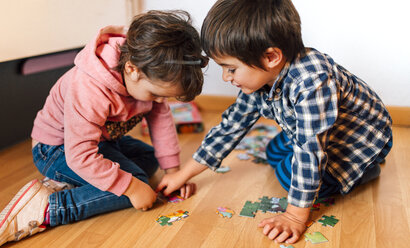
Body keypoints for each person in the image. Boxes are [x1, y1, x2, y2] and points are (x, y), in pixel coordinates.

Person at [156, 0, 393, 244]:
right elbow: (230, 128)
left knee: (287, 174)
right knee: (272, 151)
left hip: (362, 142)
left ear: (271, 56)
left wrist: (294, 216)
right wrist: (183, 174)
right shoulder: (261, 79)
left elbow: (310, 151)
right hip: (323, 133)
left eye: (230, 68)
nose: (226, 77)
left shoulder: (313, 80)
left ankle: (367, 169)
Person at [0, 10, 207, 246]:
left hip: (100, 141)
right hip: (56, 149)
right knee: (135, 180)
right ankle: (49, 208)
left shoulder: (151, 75)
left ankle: (78, 181)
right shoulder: (89, 87)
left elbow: (161, 123)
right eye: (156, 95)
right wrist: (131, 188)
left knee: (149, 158)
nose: (159, 102)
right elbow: (80, 154)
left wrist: (174, 171)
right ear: (132, 69)